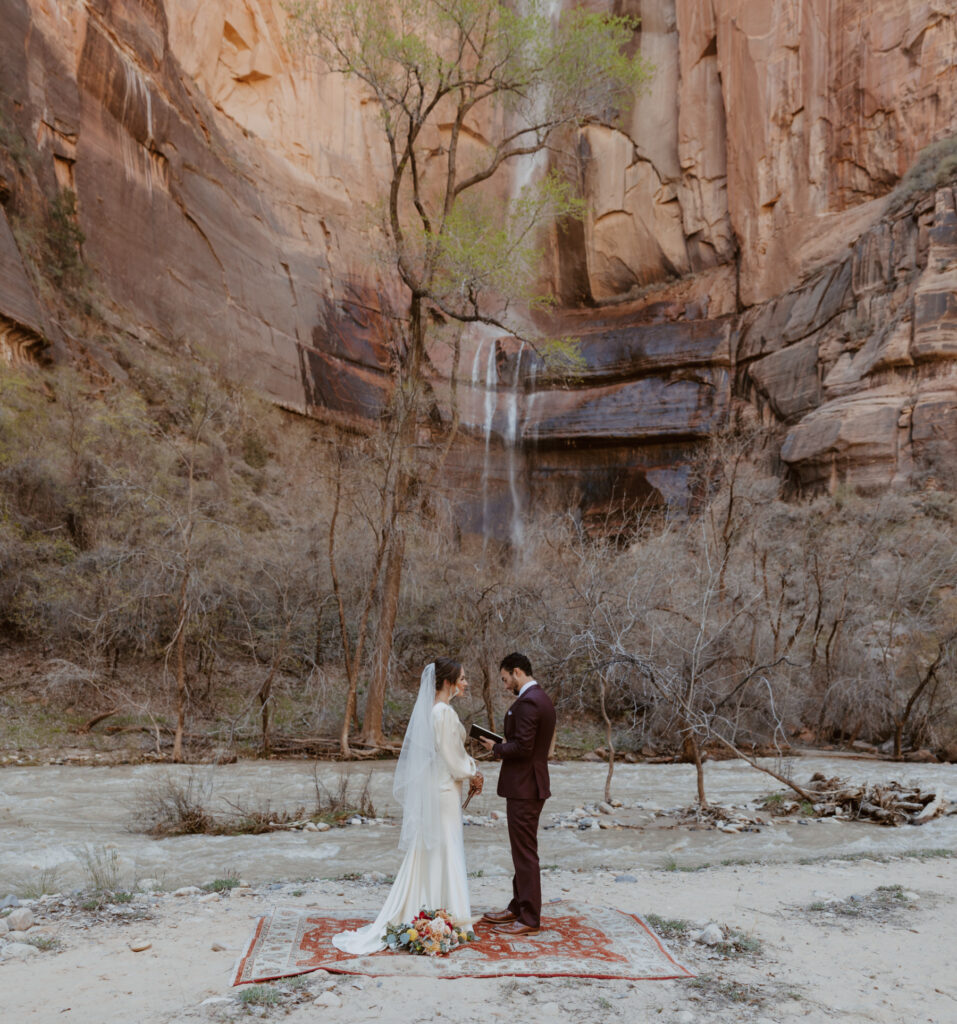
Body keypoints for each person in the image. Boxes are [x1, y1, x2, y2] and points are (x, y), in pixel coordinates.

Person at [331, 658, 483, 954]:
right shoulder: (445, 713)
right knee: (447, 846)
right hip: (445, 790)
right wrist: (472, 770)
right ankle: (448, 915)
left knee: (433, 848)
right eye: (463, 678)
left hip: (435, 787)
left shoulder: (431, 711)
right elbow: (453, 758)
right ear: (448, 682)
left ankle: (431, 909)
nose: (466, 684)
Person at [478, 652, 556, 936]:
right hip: (530, 784)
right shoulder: (541, 699)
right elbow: (529, 745)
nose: (504, 684)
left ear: (517, 672)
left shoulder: (529, 702)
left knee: (525, 853)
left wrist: (495, 748)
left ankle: (530, 918)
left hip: (525, 786)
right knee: (522, 850)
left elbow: (523, 748)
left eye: (504, 678)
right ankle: (518, 906)